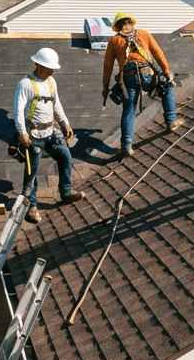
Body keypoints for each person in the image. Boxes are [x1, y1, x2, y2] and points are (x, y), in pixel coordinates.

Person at [13, 47, 84, 223]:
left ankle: (66, 192)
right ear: (37, 65)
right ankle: (31, 205)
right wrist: (22, 133)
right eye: (47, 68)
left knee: (65, 156)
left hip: (50, 132)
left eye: (52, 69)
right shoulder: (26, 84)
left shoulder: (51, 82)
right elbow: (18, 110)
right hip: (33, 136)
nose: (51, 71)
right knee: (32, 172)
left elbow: (56, 105)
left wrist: (65, 123)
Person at [101, 11, 184, 156]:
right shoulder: (143, 34)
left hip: (128, 79)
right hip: (147, 74)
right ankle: (171, 121)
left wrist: (105, 86)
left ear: (118, 26)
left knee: (129, 110)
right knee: (166, 88)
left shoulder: (114, 41)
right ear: (131, 23)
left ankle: (126, 146)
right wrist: (166, 72)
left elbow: (107, 66)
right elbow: (158, 53)